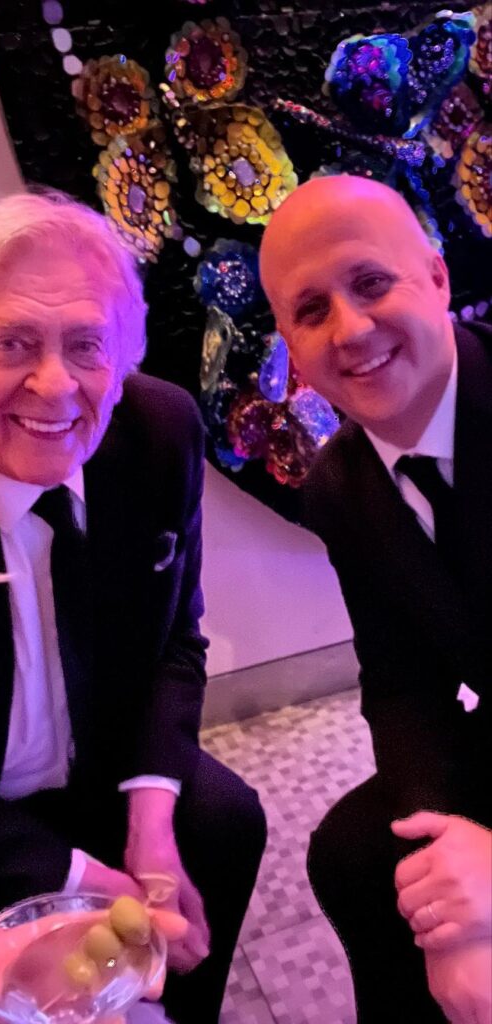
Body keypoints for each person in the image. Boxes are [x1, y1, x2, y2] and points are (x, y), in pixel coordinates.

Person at [0, 190, 267, 1024]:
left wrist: (150, 828)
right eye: (12, 342)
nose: (54, 385)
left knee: (220, 821)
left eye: (86, 345)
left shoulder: (160, 431)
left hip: (95, 768)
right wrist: (85, 880)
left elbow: (177, 641)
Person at [259, 175, 491, 1024]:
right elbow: (400, 683)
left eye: (370, 283)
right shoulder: (341, 485)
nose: (351, 330)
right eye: (310, 310)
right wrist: (444, 878)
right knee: (360, 857)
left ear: (436, 277)